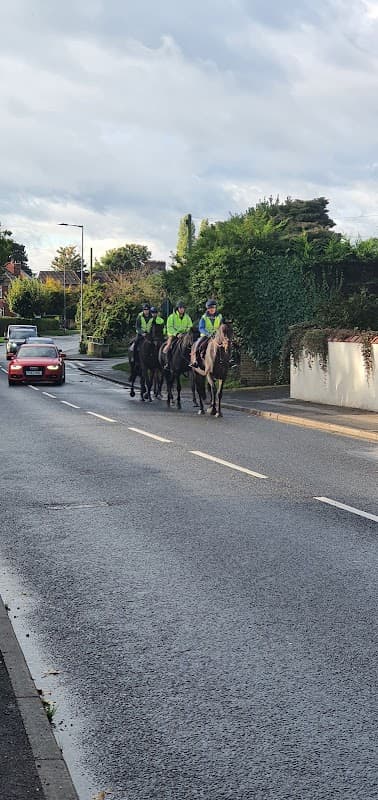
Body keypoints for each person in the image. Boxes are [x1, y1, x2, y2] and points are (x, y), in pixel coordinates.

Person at [190, 299, 223, 368]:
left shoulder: (219, 316)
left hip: (217, 335)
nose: (212, 309)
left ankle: (230, 359)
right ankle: (195, 360)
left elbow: (221, 326)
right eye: (210, 308)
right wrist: (208, 334)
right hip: (206, 335)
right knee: (198, 344)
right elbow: (201, 328)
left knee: (226, 343)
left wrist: (219, 333)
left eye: (213, 307)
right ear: (208, 309)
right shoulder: (204, 317)